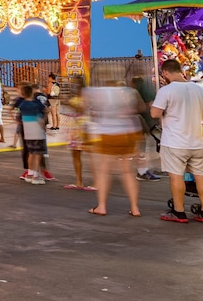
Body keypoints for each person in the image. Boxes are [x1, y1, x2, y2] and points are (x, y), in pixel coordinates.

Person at [83, 73, 143, 217]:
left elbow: (84, 104)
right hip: (129, 133)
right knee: (128, 172)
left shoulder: (98, 92)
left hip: (108, 133)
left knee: (104, 171)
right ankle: (135, 208)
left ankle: (102, 206)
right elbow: (141, 107)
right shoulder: (129, 92)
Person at [151, 59, 203, 222]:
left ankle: (179, 212)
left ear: (165, 72)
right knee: (200, 176)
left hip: (175, 142)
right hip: (198, 141)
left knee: (176, 176)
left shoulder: (166, 91)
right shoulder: (199, 89)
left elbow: (154, 114)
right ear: (180, 70)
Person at [63, 75, 96, 191]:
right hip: (75, 127)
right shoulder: (77, 96)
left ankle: (97, 182)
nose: (73, 85)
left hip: (84, 127)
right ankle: (79, 181)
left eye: (75, 83)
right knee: (75, 154)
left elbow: (82, 109)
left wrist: (70, 104)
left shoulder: (86, 96)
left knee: (91, 155)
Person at [130, 75, 161, 181]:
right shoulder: (144, 87)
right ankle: (142, 171)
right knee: (144, 146)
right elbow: (150, 104)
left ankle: (142, 170)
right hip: (147, 122)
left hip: (143, 122)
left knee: (143, 146)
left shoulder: (138, 88)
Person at [17, 83, 49, 185]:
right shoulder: (36, 103)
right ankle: (36, 176)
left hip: (27, 131)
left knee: (31, 153)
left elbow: (19, 117)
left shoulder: (22, 105)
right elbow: (43, 113)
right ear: (32, 93)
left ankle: (30, 173)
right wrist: (44, 126)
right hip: (37, 130)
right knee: (38, 153)